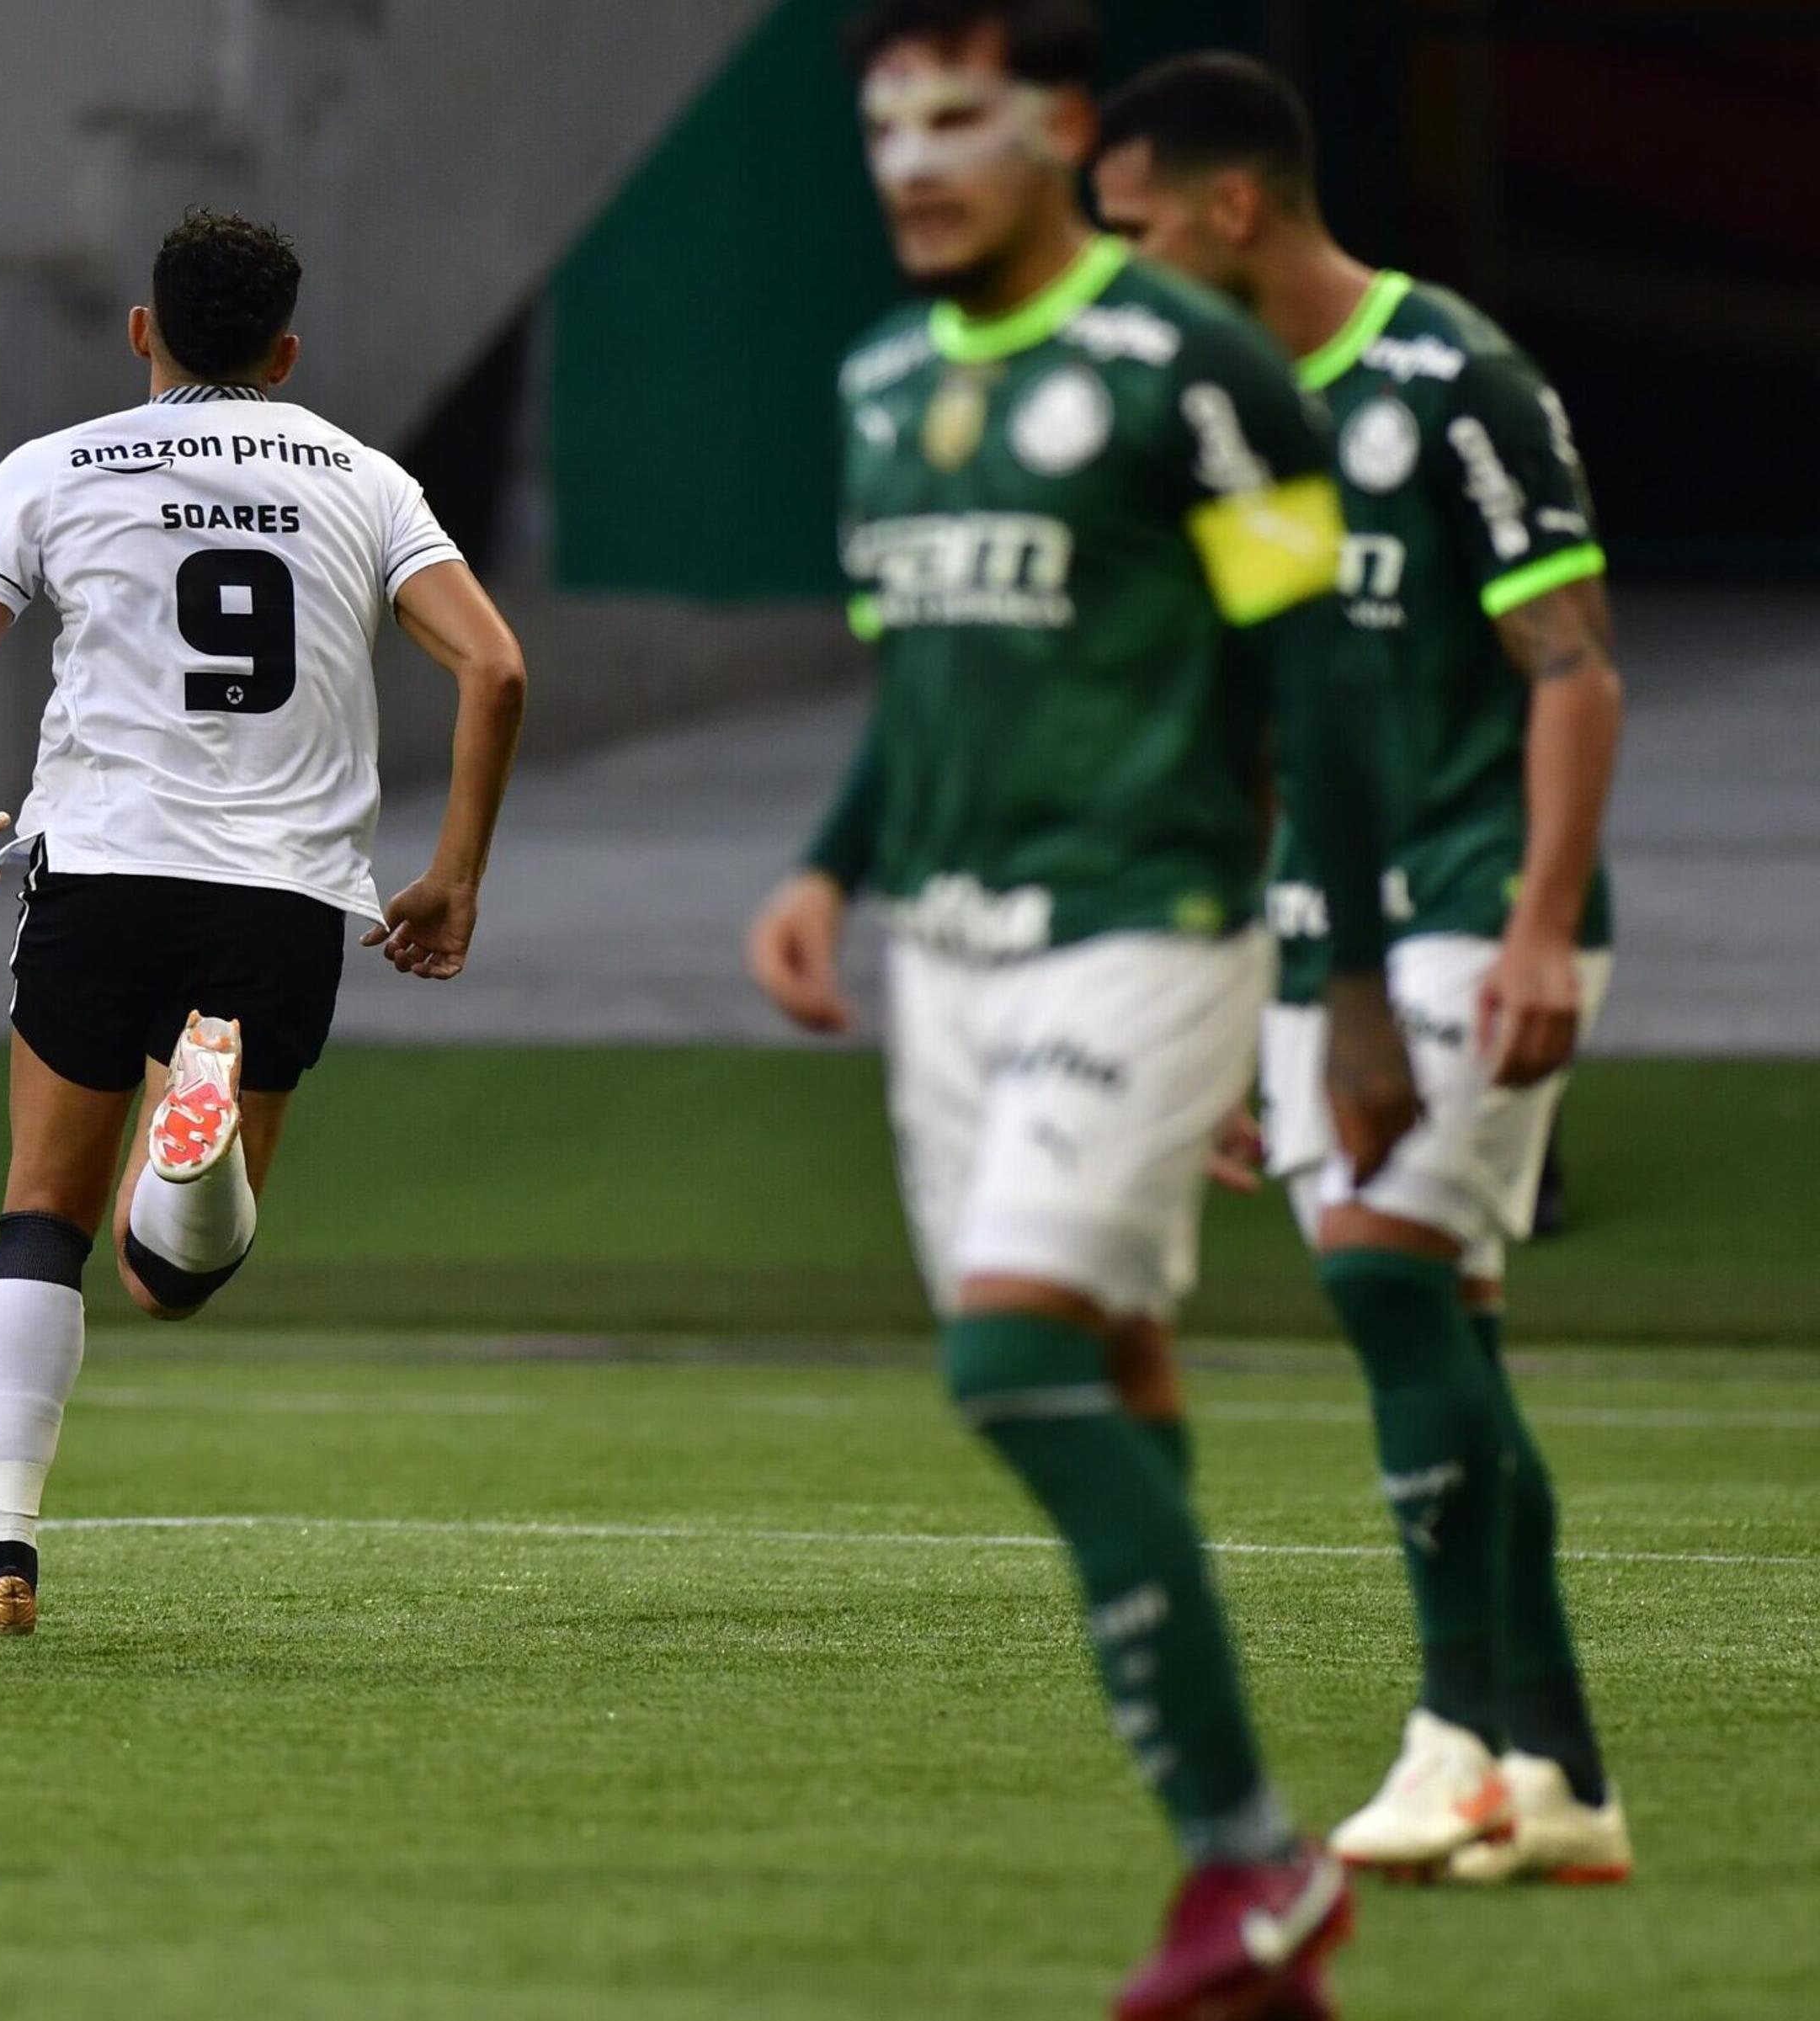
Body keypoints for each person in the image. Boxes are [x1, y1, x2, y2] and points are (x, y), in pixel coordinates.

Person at [742, 5, 1419, 2015]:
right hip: (938, 959)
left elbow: (1317, 674)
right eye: (883, 127)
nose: (914, 162)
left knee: (1003, 1352)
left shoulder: (1192, 372)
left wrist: (1357, 974)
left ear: (1053, 130)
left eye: (955, 119)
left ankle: (1256, 1859)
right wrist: (823, 868)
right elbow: (920, 670)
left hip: (1146, 921)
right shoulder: (873, 381)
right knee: (1110, 1369)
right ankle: (1243, 1899)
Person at [1093, 52, 1633, 1889]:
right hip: (1327, 945)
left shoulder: (1448, 377)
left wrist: (1550, 924)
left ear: (1232, 206)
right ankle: (1558, 1776)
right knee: (1440, 1323)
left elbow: (1572, 662)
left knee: (1387, 1277)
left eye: (1139, 231)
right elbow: (1259, 730)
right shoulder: (1233, 425)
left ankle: (1457, 1735)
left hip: (1480, 903)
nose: (1126, 272)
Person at [0, 210, 528, 1638]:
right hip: (289, 895)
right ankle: (201, 1116)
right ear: (289, 352)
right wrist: (457, 875)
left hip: (104, 868)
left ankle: (2, 1563)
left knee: (42, 1222)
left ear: (143, 333)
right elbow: (494, 669)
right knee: (169, 1280)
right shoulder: (367, 479)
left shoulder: (52, 468)